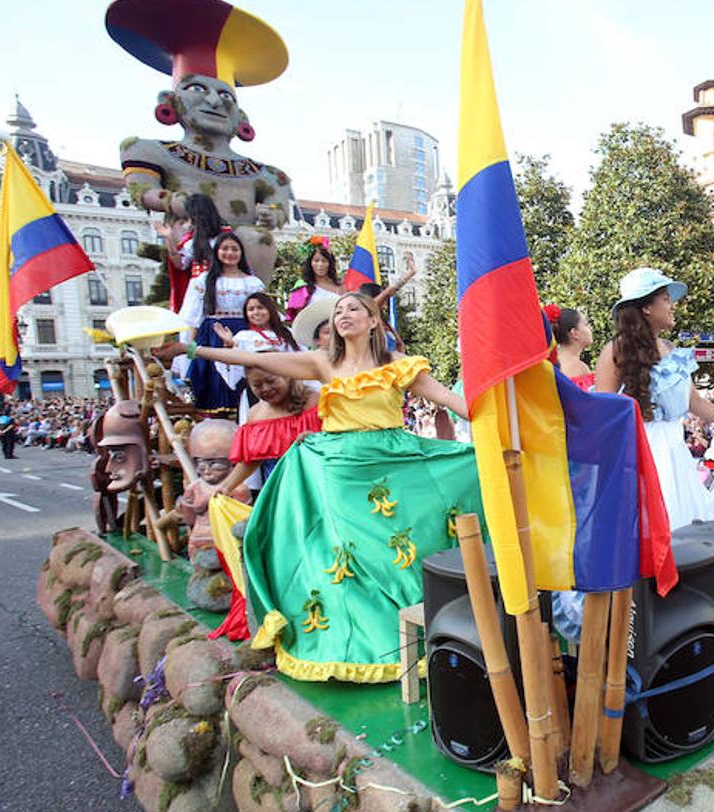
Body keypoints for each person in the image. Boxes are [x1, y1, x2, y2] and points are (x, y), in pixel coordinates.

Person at [160, 292, 480, 683]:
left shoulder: (397, 364)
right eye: (339, 310)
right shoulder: (322, 362)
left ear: (373, 320)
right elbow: (251, 358)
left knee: (392, 557)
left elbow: (452, 400)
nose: (344, 315)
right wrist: (192, 349)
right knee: (350, 560)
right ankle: (356, 649)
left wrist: (499, 417)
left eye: (354, 309)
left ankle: (410, 635)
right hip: (337, 474)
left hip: (390, 466)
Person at [595, 267, 714, 529]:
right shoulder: (614, 351)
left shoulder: (672, 350)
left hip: (675, 453)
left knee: (682, 528)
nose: (673, 306)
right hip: (638, 454)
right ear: (646, 308)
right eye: (666, 299)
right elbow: (604, 415)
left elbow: (694, 402)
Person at [177, 231, 266, 415]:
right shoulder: (203, 280)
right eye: (225, 249)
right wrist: (190, 350)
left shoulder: (253, 283)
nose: (230, 253)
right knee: (209, 383)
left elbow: (262, 313)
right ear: (217, 252)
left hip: (243, 335)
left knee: (242, 381)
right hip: (211, 336)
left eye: (234, 249)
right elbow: (193, 318)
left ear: (241, 253)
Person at [219, 363, 321, 495]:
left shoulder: (316, 401)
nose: (265, 388)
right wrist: (227, 486)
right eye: (257, 385)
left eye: (271, 381)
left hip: (319, 483)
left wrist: (320, 439)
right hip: (281, 490)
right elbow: (251, 459)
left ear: (287, 375)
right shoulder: (256, 415)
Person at [284, 238, 342, 321]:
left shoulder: (340, 285)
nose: (320, 264)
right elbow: (299, 317)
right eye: (316, 260)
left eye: (324, 261)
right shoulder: (302, 286)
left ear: (330, 264)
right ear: (310, 263)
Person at [547, 304, 595, 390]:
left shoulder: (551, 362)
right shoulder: (579, 368)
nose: (591, 328)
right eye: (586, 324)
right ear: (574, 333)